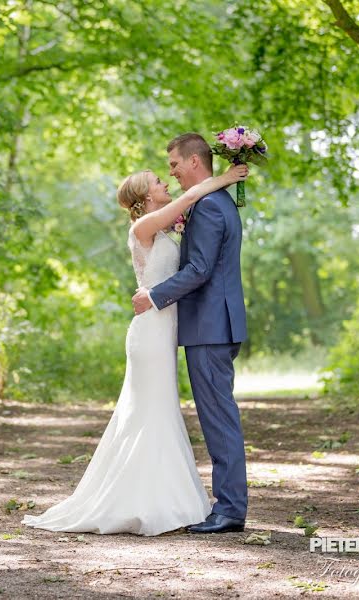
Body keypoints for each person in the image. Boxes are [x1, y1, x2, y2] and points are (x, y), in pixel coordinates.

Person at [21, 154, 248, 536]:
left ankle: (165, 496)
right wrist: (226, 176)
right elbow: (192, 196)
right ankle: (142, 499)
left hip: (167, 330)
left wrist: (225, 178)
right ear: (144, 197)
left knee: (161, 414)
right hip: (150, 334)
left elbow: (196, 256)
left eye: (168, 172)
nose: (166, 181)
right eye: (158, 180)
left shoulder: (166, 231)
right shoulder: (145, 226)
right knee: (149, 412)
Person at [131, 133, 250, 534]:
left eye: (175, 164)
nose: (172, 172)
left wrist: (155, 296)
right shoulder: (213, 201)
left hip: (210, 328)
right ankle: (226, 504)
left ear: (195, 162)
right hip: (211, 325)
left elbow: (199, 270)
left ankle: (230, 508)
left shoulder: (210, 208)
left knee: (218, 419)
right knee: (217, 416)